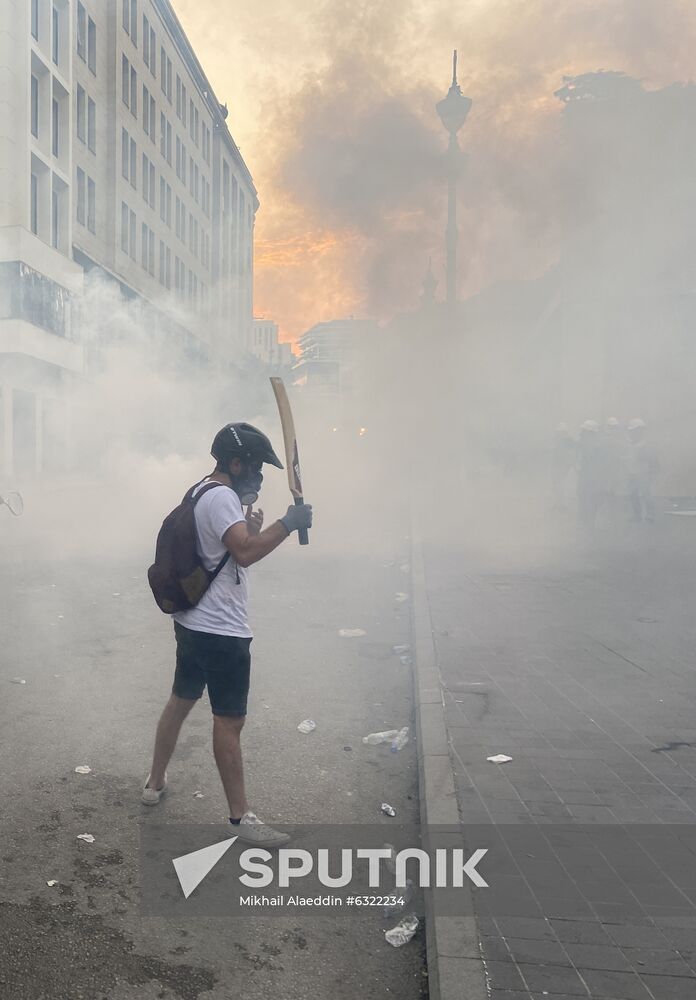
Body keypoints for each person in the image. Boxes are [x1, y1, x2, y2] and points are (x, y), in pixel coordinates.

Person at [142, 422, 313, 846]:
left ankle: (154, 782)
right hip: (221, 630)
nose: (258, 475)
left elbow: (225, 550)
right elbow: (245, 553)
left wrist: (253, 528)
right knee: (229, 720)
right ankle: (241, 818)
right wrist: (287, 523)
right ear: (235, 463)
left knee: (181, 701)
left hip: (193, 623)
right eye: (255, 466)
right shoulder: (222, 499)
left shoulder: (203, 490)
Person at [626, 417, 659, 522]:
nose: (632, 433)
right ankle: (637, 514)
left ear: (640, 431)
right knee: (633, 494)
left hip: (643, 472)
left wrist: (653, 471)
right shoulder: (631, 443)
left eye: (634, 431)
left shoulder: (645, 444)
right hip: (632, 473)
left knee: (646, 494)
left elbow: (651, 458)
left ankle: (650, 515)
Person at [576, 420, 605, 528]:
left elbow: (600, 464)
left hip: (593, 477)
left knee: (592, 498)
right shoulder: (584, 443)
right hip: (585, 475)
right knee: (582, 496)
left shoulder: (597, 446)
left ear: (589, 432)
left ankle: (590, 520)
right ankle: (585, 520)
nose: (582, 433)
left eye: (584, 431)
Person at [551, 422, 577, 510]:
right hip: (558, 466)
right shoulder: (558, 440)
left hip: (565, 466)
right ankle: (559, 504)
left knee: (564, 485)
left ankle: (563, 505)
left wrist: (570, 464)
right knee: (557, 485)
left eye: (561, 432)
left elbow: (572, 454)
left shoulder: (569, 441)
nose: (559, 434)